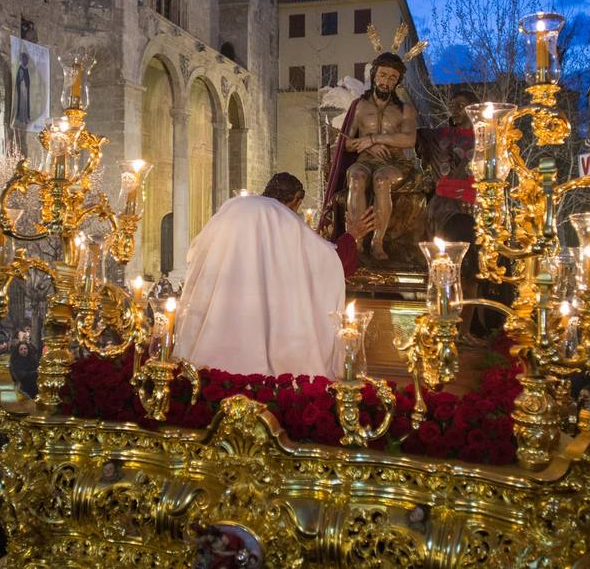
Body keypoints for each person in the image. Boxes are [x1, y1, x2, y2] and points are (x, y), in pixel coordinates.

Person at [174, 173, 374, 378]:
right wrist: (352, 235)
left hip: (222, 303)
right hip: (258, 310)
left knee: (215, 366)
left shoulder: (232, 207)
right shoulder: (281, 216)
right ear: (295, 199)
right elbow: (327, 264)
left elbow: (197, 251)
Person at [321, 52, 416, 261]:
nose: (386, 81)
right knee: (355, 175)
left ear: (397, 81)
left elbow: (409, 139)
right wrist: (364, 145)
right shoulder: (359, 107)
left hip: (394, 163)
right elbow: (345, 142)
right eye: (383, 75)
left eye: (392, 77)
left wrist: (373, 139)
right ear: (374, 76)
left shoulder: (406, 109)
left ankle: (377, 242)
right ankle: (356, 241)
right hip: (365, 160)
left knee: (381, 179)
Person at [416, 90, 484, 344]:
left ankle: (464, 331)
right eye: (452, 105)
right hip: (447, 209)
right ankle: (444, 328)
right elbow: (438, 176)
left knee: (471, 275)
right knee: (446, 271)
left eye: (461, 105)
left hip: (472, 210)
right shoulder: (441, 136)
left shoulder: (484, 137)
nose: (454, 109)